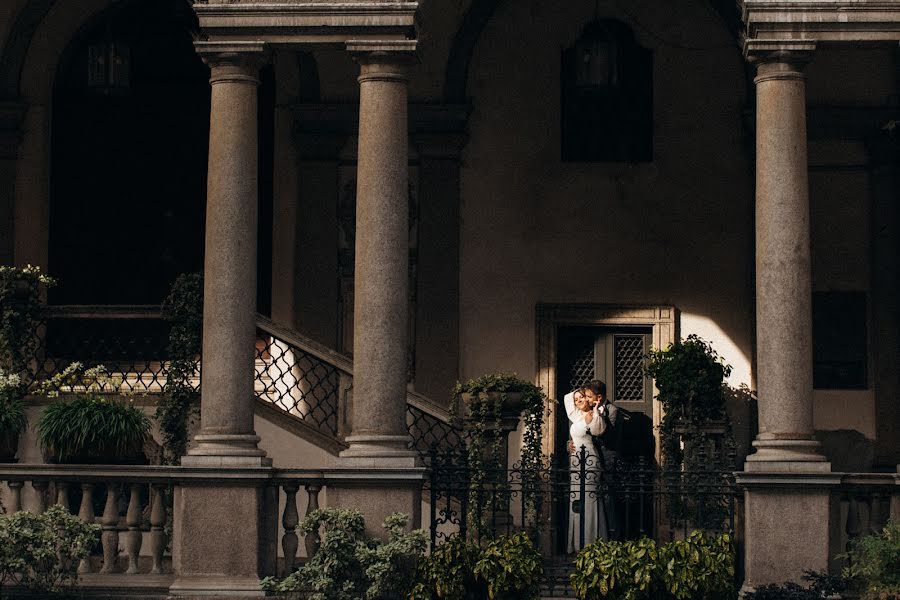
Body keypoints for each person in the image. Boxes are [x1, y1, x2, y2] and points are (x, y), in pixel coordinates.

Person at [566, 387, 608, 553]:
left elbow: (598, 430)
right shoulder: (576, 417)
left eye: (581, 398)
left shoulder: (593, 414)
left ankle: (591, 544)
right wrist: (569, 444)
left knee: (589, 499)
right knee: (576, 499)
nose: (578, 401)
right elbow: (567, 398)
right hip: (576, 461)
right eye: (577, 400)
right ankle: (577, 543)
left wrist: (595, 408)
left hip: (589, 460)